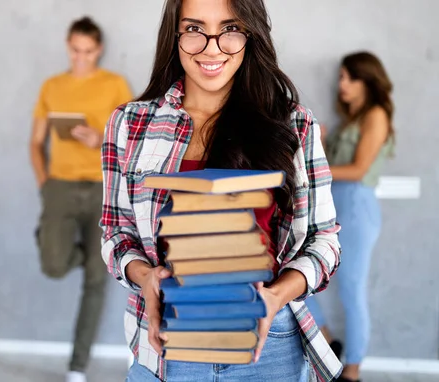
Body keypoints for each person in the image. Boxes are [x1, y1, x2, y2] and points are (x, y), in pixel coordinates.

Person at [100, 0, 342, 381]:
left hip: (269, 345)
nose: (212, 48)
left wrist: (275, 296)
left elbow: (324, 241)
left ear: (250, 35)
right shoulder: (129, 124)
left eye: (229, 29)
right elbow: (116, 233)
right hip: (164, 348)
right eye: (194, 29)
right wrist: (145, 277)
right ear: (175, 35)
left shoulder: (293, 123)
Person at [29, 16, 133, 382]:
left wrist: (99, 139)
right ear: (67, 45)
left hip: (103, 188)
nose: (81, 58)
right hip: (59, 185)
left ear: (99, 49)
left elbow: (131, 142)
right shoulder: (52, 86)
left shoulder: (115, 84)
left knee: (95, 277)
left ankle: (77, 366)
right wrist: (45, 184)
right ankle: (55, 243)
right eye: (75, 50)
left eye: (88, 52)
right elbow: (35, 142)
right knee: (53, 264)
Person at [305, 51, 395, 382]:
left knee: (352, 291)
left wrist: (314, 165)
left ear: (366, 80)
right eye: (341, 77)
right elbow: (332, 171)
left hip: (357, 207)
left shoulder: (376, 115)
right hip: (335, 204)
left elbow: (357, 170)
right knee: (305, 277)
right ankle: (328, 343)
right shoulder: (352, 120)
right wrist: (322, 143)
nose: (341, 84)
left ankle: (353, 370)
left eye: (348, 77)